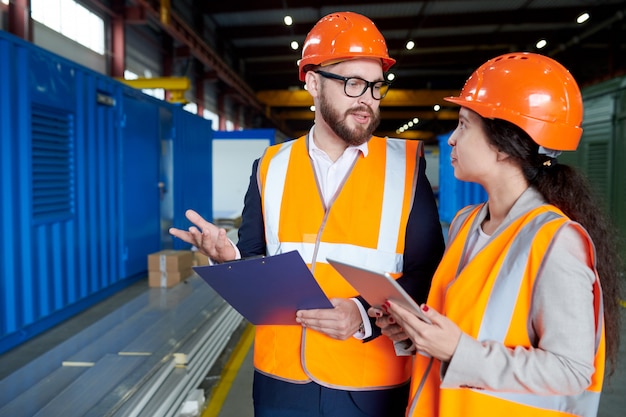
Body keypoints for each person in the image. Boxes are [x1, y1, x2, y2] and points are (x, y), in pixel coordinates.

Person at [169, 11, 445, 417]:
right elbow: (254, 262)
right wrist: (227, 261)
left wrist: (362, 317)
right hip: (281, 381)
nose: (366, 99)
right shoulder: (270, 165)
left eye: (376, 86)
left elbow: (427, 274)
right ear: (313, 82)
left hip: (369, 384)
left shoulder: (405, 165)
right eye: (353, 83)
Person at [374, 52, 623, 417]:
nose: (453, 140)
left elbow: (572, 371)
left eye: (464, 124)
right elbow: (467, 328)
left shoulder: (557, 242)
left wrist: (458, 350)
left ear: (506, 144)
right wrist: (417, 335)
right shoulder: (465, 222)